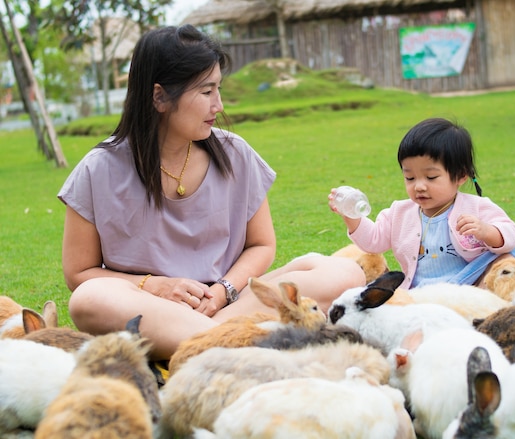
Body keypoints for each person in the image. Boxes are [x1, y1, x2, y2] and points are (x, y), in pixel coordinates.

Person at [58, 24, 365, 360]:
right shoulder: (98, 169)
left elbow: (261, 245)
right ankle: (240, 339)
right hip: (151, 308)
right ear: (159, 96)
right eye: (206, 92)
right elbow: (80, 274)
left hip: (230, 302)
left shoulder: (236, 154)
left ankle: (212, 342)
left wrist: (223, 291)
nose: (218, 105)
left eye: (218, 89)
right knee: (88, 299)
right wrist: (154, 286)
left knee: (345, 272)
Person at [329, 117, 515, 290]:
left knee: (506, 262)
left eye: (431, 177)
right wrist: (350, 214)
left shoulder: (476, 207)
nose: (419, 186)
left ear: (461, 175)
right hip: (420, 292)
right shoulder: (399, 213)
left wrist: (486, 231)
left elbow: (510, 236)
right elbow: (373, 241)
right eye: (410, 177)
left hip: (469, 286)